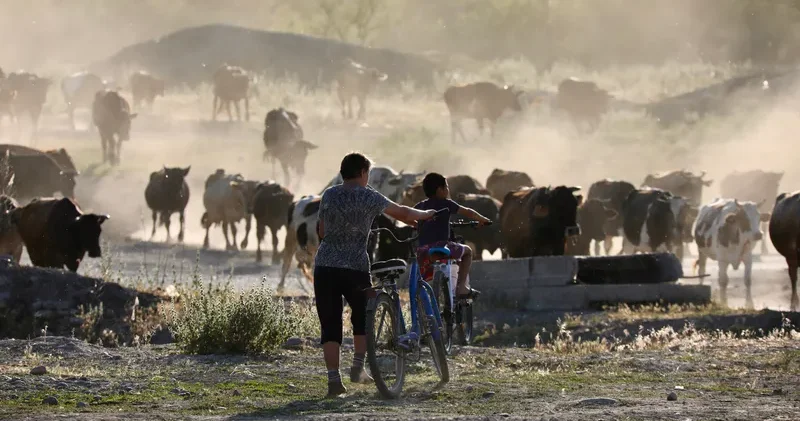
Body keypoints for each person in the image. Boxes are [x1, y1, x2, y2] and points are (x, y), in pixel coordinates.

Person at [314, 152, 436, 398]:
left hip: (324, 266)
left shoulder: (329, 194)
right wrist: (425, 215)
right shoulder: (368, 195)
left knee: (330, 323)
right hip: (355, 267)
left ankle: (333, 381)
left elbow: (322, 230)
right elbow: (401, 213)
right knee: (362, 318)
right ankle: (358, 368)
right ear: (362, 173)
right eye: (367, 173)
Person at [414, 173, 492, 298]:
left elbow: (411, 219)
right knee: (468, 252)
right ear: (440, 190)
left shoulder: (420, 206)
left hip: (423, 250)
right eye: (447, 187)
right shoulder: (446, 203)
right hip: (443, 247)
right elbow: (468, 212)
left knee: (423, 279)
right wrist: (483, 219)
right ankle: (462, 287)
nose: (448, 190)